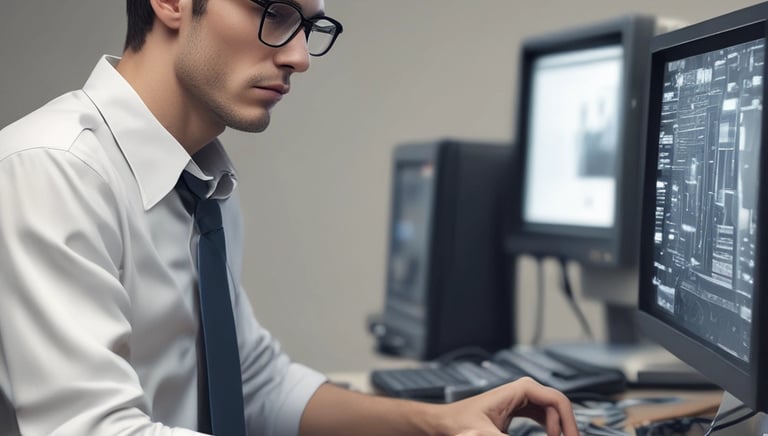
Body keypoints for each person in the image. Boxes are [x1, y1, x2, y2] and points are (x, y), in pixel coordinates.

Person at [0, 0, 579, 435]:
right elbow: (94, 430)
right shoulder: (51, 171)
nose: (299, 56)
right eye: (273, 12)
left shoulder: (202, 182)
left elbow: (257, 384)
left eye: (310, 27)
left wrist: (437, 423)